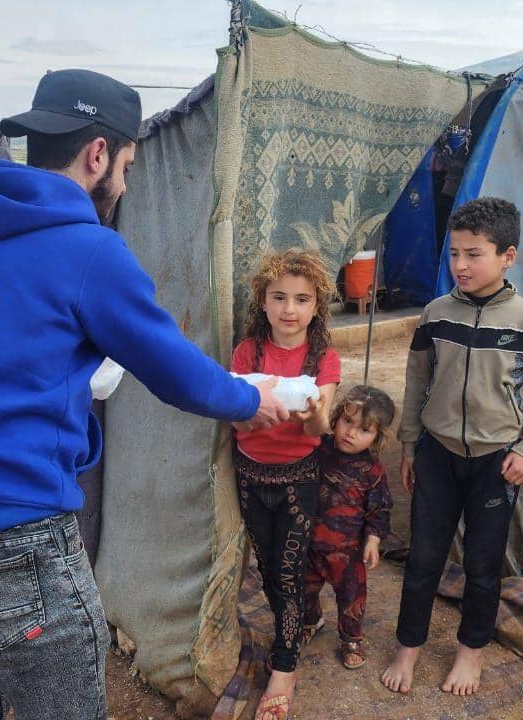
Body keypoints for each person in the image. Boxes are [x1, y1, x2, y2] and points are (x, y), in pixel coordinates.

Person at [0, 68, 289, 720]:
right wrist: (253, 397)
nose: (123, 181)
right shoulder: (89, 250)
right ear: (98, 154)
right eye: (126, 164)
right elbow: (179, 375)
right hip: (13, 543)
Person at [380, 196, 523, 697]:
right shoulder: (437, 314)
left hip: (496, 462)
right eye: (454, 253)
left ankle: (470, 652)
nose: (460, 265)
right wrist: (410, 442)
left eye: (474, 253)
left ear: (508, 256)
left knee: (484, 564)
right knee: (423, 557)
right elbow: (417, 380)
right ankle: (409, 646)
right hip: (438, 454)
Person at [230, 249, 340, 720]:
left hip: (298, 479)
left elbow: (318, 431)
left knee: (287, 572)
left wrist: (312, 410)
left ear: (317, 306)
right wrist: (259, 412)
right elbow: (240, 424)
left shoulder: (323, 358)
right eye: (279, 297)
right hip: (252, 476)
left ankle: (285, 665)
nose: (289, 309)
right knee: (268, 568)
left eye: (301, 299)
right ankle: (302, 620)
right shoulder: (247, 351)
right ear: (263, 301)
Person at [302, 384, 395, 671]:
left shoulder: (373, 469)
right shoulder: (318, 449)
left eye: (364, 430)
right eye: (347, 421)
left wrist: (373, 540)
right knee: (302, 590)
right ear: (336, 417)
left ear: (378, 436)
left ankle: (351, 638)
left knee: (352, 599)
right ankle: (310, 620)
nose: (351, 433)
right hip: (309, 543)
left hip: (348, 552)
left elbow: (380, 508)